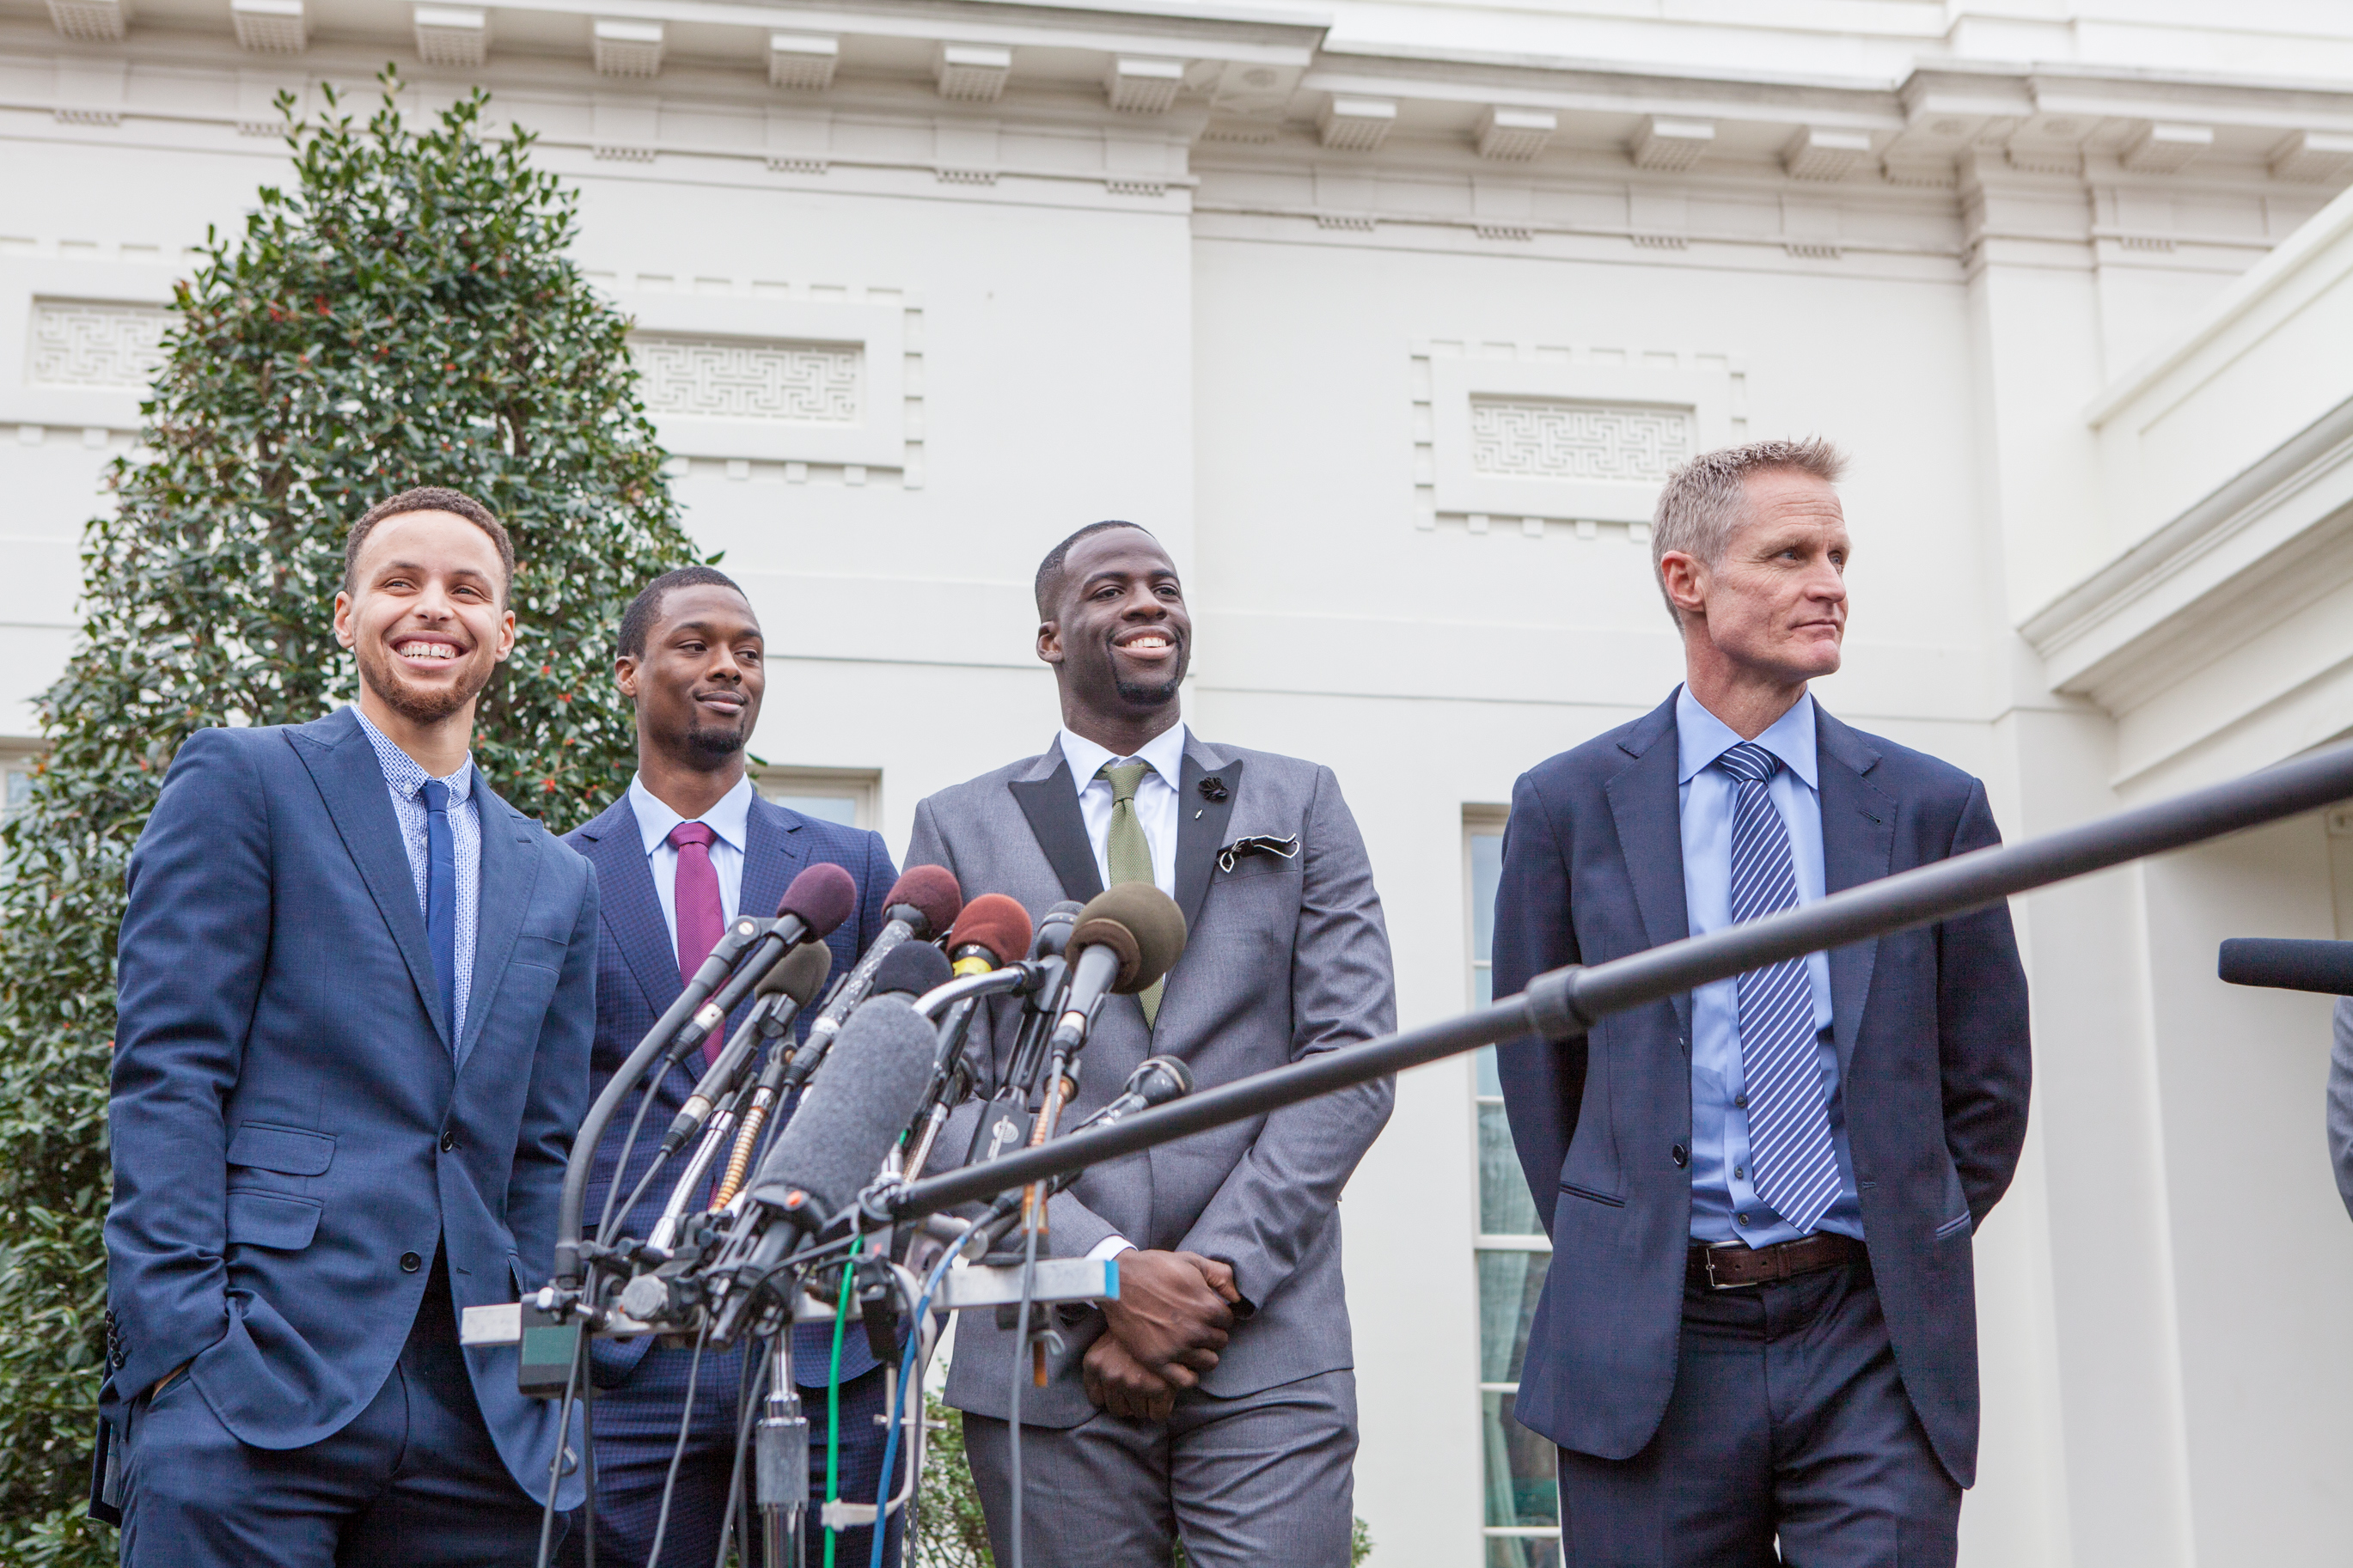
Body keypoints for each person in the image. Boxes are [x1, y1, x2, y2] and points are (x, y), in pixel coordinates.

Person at [1489, 439, 2033, 1567]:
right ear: (1685, 580)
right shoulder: (1566, 807)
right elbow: (1544, 1088)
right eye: (1788, 553)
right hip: (1656, 1346)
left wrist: (1899, 1225)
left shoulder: (1932, 811)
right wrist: (1633, 1236)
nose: (1827, 580)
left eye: (1836, 553)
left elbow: (1984, 1083)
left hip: (1870, 1336)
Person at [102, 486, 597, 1563]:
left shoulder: (558, 879)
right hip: (255, 1383)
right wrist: (184, 1345)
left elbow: (540, 1155)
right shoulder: (246, 781)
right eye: (400, 582)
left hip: (479, 1421)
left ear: (503, 634)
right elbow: (169, 1071)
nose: (434, 609)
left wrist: (548, 1390)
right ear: (346, 615)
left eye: (467, 590)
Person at [906, 521, 1395, 1567]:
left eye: (1164, 586)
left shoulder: (1299, 800)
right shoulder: (956, 826)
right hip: (1045, 1342)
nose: (1146, 604)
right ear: (1049, 637)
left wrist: (1206, 1281)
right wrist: (1106, 1271)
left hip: (1264, 1336)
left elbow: (1350, 1062)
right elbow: (944, 1099)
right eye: (1109, 589)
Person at [560, 565, 901, 1566]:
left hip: (815, 1337)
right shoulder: (556, 874)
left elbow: (896, 1075)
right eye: (697, 645)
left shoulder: (851, 869)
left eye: (748, 652)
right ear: (628, 671)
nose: (728, 668)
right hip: (632, 1347)